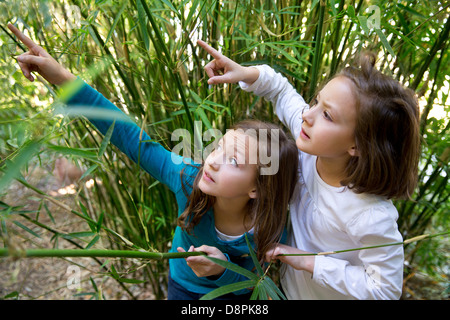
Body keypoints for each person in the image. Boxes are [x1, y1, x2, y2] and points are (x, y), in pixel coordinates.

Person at [8, 23, 299, 300]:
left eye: (234, 161)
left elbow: (259, 285)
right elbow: (126, 133)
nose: (212, 162)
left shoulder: (269, 226)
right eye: (218, 148)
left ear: (257, 188)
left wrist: (223, 271)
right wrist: (60, 76)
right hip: (184, 286)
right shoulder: (188, 177)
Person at [197, 39, 421, 299]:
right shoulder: (308, 144)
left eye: (327, 115)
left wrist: (310, 261)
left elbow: (386, 289)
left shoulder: (371, 215)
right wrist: (246, 73)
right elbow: (281, 91)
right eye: (316, 101)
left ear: (358, 145)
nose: (307, 115)